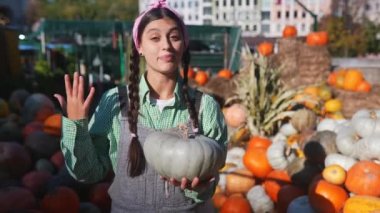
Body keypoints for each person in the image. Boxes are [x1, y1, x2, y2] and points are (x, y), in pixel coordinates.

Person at [54, 0, 228, 212]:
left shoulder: (205, 107)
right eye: (155, 37)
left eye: (174, 37)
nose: (166, 45)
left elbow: (211, 178)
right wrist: (77, 126)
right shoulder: (115, 102)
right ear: (140, 46)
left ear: (184, 44)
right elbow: (89, 173)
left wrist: (199, 187)